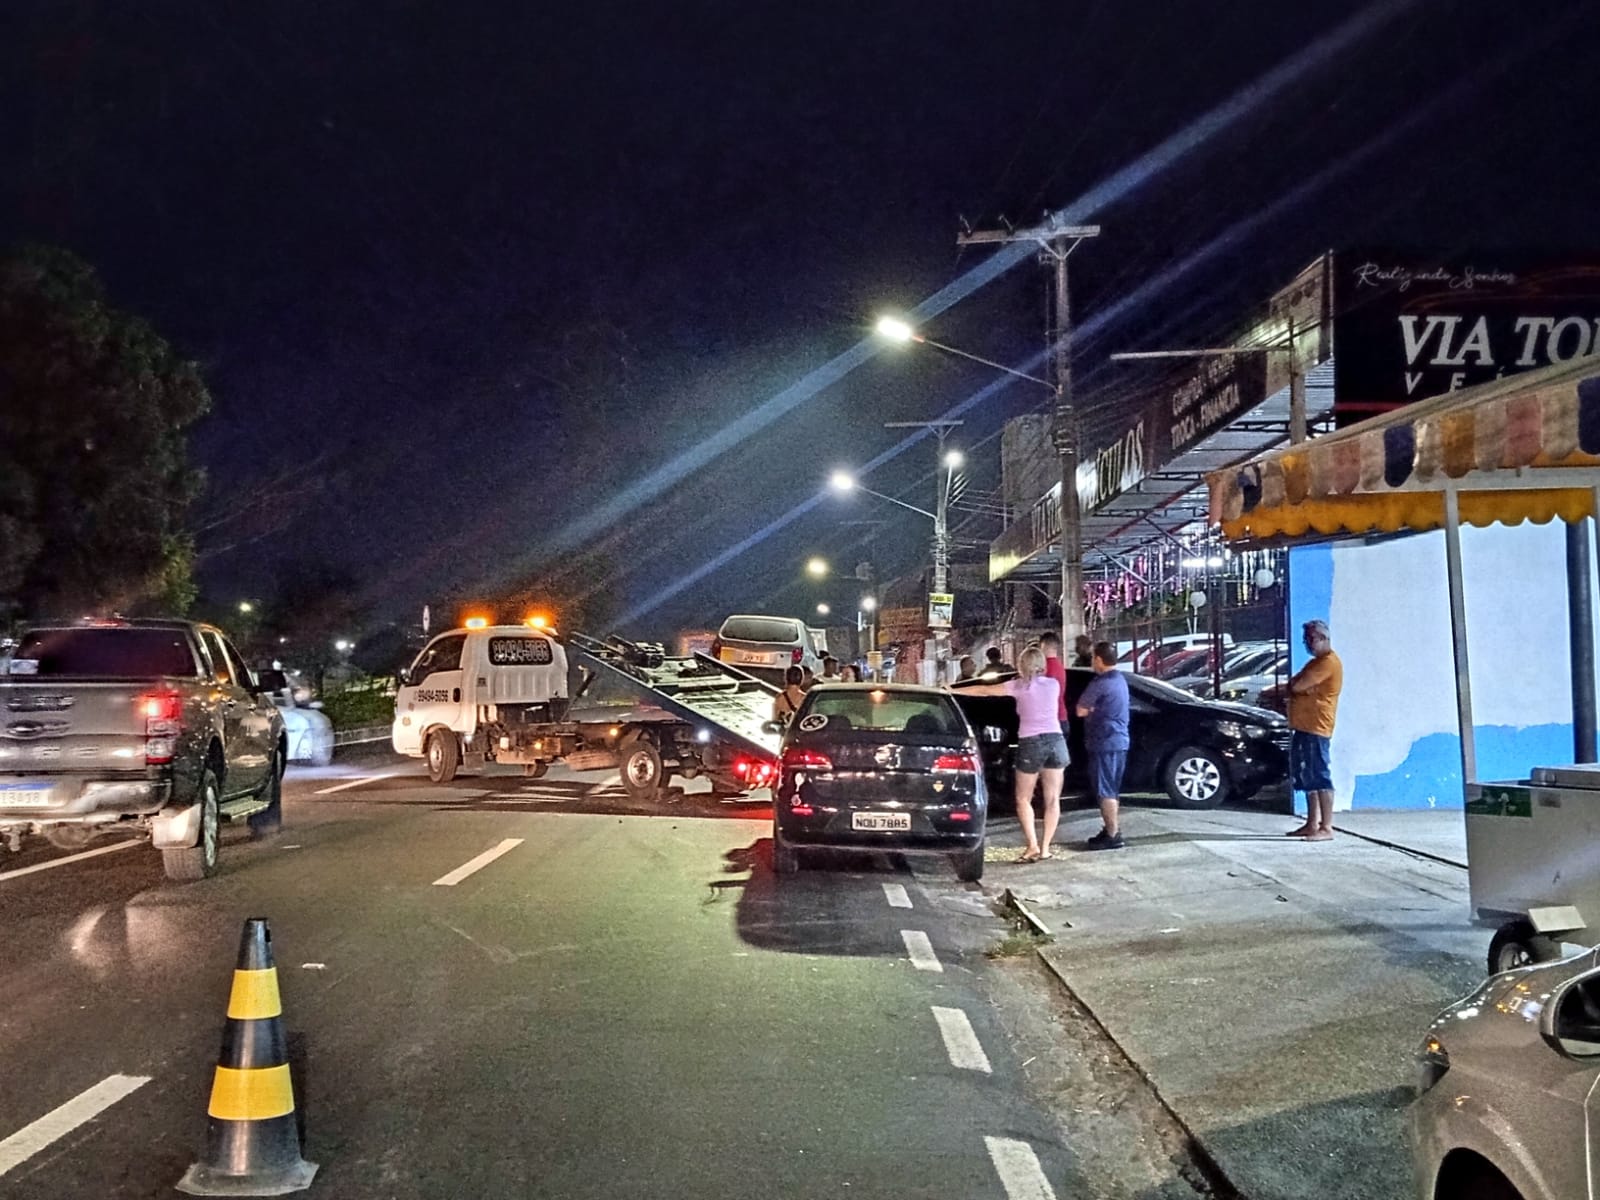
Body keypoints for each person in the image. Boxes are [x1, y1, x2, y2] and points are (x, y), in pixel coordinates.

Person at [959, 646, 1067, 863]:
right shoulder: (1053, 685)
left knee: (1023, 798)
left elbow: (984, 690)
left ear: (1022, 665)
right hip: (1056, 740)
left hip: (1031, 742)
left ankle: (1032, 846)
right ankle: (1045, 848)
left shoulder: (1018, 686)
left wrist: (951, 689)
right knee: (1053, 799)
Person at [1285, 619, 1343, 842]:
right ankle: (1312, 823)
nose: (1307, 644)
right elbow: (1295, 684)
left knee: (1319, 774)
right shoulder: (1314, 663)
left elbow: (1297, 686)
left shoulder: (1328, 663)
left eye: (1310, 639)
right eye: (1305, 640)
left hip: (1317, 727)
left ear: (1322, 638)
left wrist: (1298, 689)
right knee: (1307, 775)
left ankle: (1326, 826)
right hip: (1303, 725)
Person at [1076, 641, 1131, 850]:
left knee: (1105, 789)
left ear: (1098, 659)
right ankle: (1110, 829)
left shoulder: (1100, 683)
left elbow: (1081, 709)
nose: (1092, 662)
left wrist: (1092, 711)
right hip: (1119, 741)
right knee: (1112, 788)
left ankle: (1113, 834)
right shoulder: (1121, 680)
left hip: (1104, 742)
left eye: (1093, 659)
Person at [1040, 632, 1068, 737]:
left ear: (1044, 645)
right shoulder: (1060, 667)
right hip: (1062, 716)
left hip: (1051, 722)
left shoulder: (1044, 668)